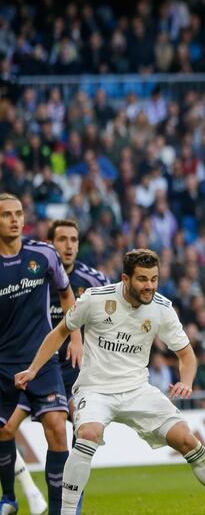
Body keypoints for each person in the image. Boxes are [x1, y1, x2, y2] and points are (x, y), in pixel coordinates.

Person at [15, 249, 205, 515]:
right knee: (89, 433)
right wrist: (33, 369)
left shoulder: (161, 308)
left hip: (138, 390)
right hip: (95, 389)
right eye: (142, 279)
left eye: (154, 279)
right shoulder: (95, 299)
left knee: (186, 439)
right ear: (126, 278)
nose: (149, 286)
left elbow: (186, 354)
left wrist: (186, 380)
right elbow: (60, 333)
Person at [7, 219, 109, 514]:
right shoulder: (33, 277)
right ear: (51, 245)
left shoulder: (94, 282)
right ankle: (18, 494)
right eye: (62, 239)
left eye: (74, 240)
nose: (69, 246)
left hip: (75, 375)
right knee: (6, 427)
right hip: (36, 367)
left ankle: (71, 502)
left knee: (83, 429)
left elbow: (112, 322)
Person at [0, 193, 82, 514]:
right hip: (4, 363)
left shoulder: (44, 254)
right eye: (7, 215)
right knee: (4, 430)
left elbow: (65, 293)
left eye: (18, 213)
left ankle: (60, 509)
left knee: (58, 428)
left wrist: (74, 336)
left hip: (43, 360)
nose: (15, 220)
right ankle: (9, 497)